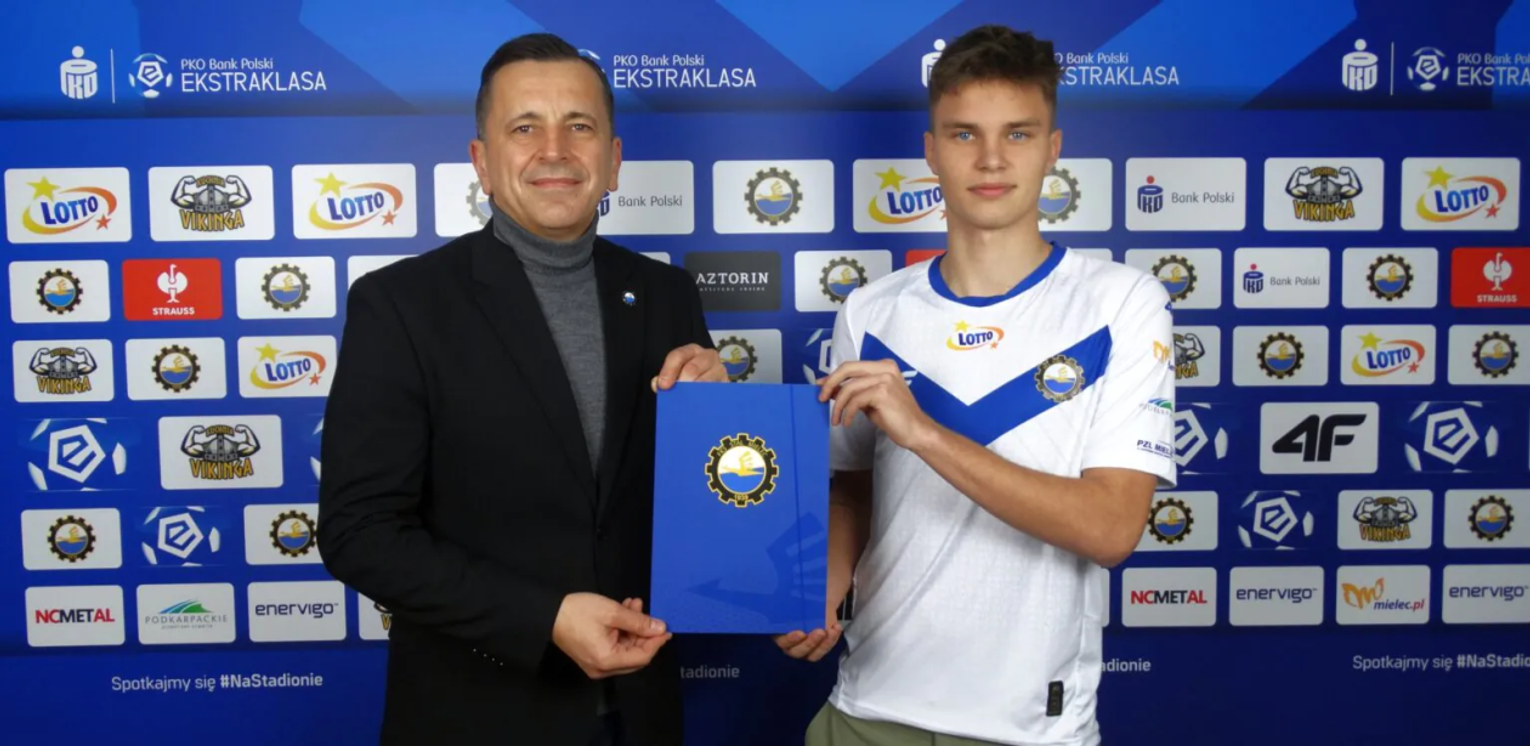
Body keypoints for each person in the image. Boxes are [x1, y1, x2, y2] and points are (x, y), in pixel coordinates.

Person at [318, 32, 725, 746]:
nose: (555, 151)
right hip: (477, 716)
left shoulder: (666, 294)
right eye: (525, 128)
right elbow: (359, 534)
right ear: (482, 161)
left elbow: (695, 507)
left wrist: (719, 421)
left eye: (579, 126)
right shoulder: (400, 305)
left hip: (642, 713)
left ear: (614, 160)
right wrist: (545, 618)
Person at [776, 25, 1176, 746]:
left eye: (1018, 133)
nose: (991, 159)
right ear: (931, 151)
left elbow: (1111, 529)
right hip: (867, 709)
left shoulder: (1121, 303)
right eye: (964, 134)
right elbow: (853, 489)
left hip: (1028, 728)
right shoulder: (870, 311)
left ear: (1053, 148)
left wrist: (925, 433)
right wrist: (823, 586)